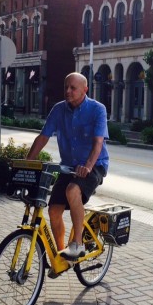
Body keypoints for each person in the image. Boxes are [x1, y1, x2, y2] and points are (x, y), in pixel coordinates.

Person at [26, 72, 109, 260]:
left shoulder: (98, 109)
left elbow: (97, 143)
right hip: (69, 166)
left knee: (73, 190)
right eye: (66, 87)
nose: (68, 91)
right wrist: (27, 162)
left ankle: (78, 244)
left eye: (73, 88)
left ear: (85, 90)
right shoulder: (58, 109)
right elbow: (43, 137)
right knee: (54, 210)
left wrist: (88, 166)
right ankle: (61, 254)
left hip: (94, 165)